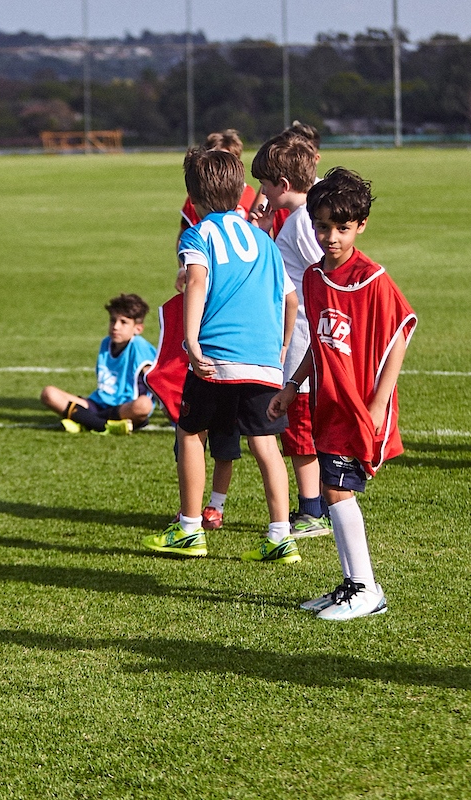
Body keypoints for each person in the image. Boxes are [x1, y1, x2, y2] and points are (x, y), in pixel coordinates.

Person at [269, 167, 416, 619]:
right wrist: (294, 386)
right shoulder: (313, 278)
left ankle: (367, 589)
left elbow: (401, 334)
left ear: (361, 226)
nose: (330, 236)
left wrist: (376, 404)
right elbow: (319, 339)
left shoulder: (372, 279)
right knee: (333, 490)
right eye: (322, 226)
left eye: (341, 228)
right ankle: (353, 584)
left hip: (355, 407)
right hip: (324, 401)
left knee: (337, 489)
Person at [142, 148, 297, 563]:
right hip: (263, 357)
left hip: (216, 356)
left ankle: (189, 529)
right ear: (241, 191)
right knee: (266, 443)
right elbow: (291, 300)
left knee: (190, 431)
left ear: (193, 198)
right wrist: (280, 347)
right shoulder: (263, 239)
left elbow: (196, 281)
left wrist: (191, 341)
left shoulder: (199, 234)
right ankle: (281, 535)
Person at [252, 132, 332, 537]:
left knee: (299, 433)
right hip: (306, 344)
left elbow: (323, 274)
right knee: (304, 428)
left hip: (300, 343)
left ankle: (312, 511)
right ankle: (323, 504)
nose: (261, 192)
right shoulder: (306, 213)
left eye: (265, 184)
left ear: (283, 186)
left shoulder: (303, 222)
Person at [41, 293, 156, 435]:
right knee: (49, 393)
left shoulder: (140, 348)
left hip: (125, 408)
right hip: (97, 404)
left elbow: (158, 379)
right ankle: (103, 425)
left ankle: (85, 420)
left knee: (144, 405)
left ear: (138, 328)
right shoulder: (106, 343)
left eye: (123, 322)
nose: (116, 327)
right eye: (113, 320)